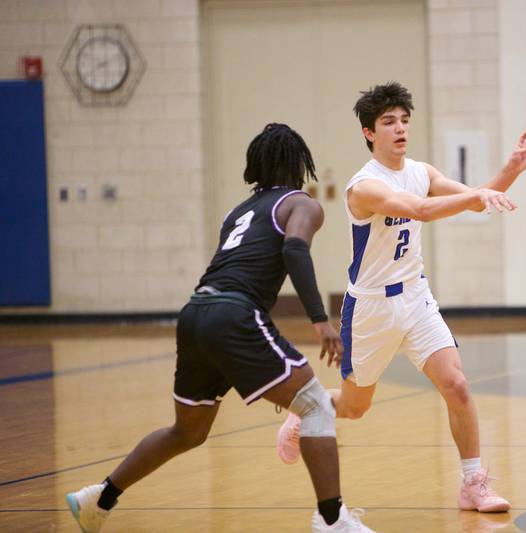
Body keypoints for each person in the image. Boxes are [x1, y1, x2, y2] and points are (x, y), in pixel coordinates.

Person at [66, 123, 376, 533]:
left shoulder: (238, 212)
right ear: (298, 163)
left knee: (187, 431)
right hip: (234, 314)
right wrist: (321, 321)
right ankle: (333, 520)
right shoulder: (302, 204)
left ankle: (98, 499)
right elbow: (295, 248)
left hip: (195, 312)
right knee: (316, 404)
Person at [276, 82, 526, 513]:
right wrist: (476, 195)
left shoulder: (422, 170)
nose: (399, 128)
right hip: (371, 309)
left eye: (403, 120)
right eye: (388, 122)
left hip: (416, 297)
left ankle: (473, 483)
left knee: (456, 384)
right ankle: (305, 409)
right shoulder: (364, 187)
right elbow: (418, 209)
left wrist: (511, 170)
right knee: (356, 408)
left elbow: (476, 200)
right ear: (368, 133)